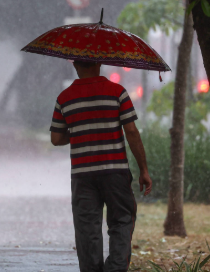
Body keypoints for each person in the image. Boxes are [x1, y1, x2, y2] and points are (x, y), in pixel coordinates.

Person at [50, 60, 152, 272]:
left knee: (87, 230)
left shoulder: (64, 98)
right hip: (115, 172)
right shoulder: (117, 92)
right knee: (122, 221)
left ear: (76, 65)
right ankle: (115, 268)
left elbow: (56, 138)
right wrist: (143, 169)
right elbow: (131, 131)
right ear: (99, 64)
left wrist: (80, 130)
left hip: (82, 175)